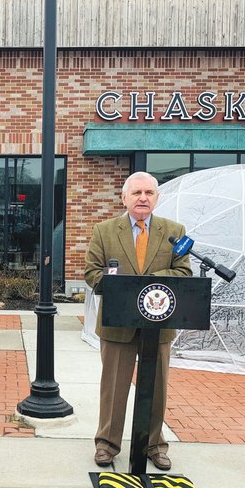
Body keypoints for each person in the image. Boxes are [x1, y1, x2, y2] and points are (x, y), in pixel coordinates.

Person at [84, 171, 191, 471]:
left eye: (149, 193)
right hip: (117, 326)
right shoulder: (104, 231)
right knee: (114, 389)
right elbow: (92, 274)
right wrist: (121, 285)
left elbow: (184, 273)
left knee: (156, 389)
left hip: (158, 327)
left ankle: (154, 445)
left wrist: (149, 284)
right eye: (137, 193)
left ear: (157, 198)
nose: (143, 198)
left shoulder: (175, 231)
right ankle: (106, 444)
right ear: (124, 198)